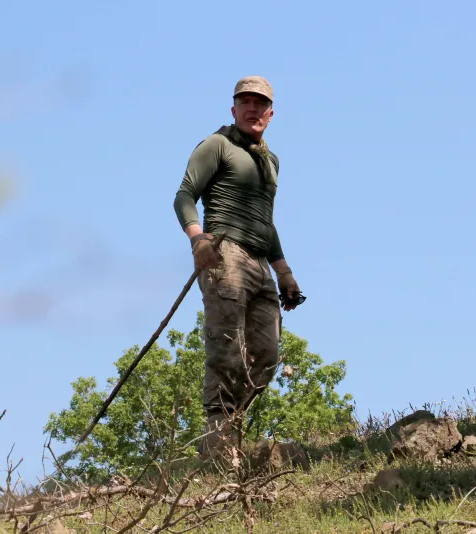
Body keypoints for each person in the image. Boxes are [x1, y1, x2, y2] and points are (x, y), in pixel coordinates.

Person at [173, 75, 303, 459]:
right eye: (245, 102)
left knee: (267, 355)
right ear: (234, 108)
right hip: (223, 253)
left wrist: (284, 273)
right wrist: (198, 240)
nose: (253, 109)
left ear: (271, 113)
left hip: (260, 262)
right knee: (227, 349)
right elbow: (184, 195)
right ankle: (217, 450)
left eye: (260, 104)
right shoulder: (217, 145)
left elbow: (265, 221)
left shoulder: (270, 161)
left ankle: (229, 431)